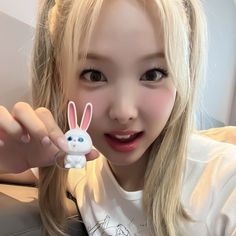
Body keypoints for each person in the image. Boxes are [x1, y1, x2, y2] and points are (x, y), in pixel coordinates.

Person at [0, 0, 236, 235]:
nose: (124, 112)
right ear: (59, 80)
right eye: (94, 75)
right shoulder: (81, 167)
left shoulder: (225, 183)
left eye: (153, 74)